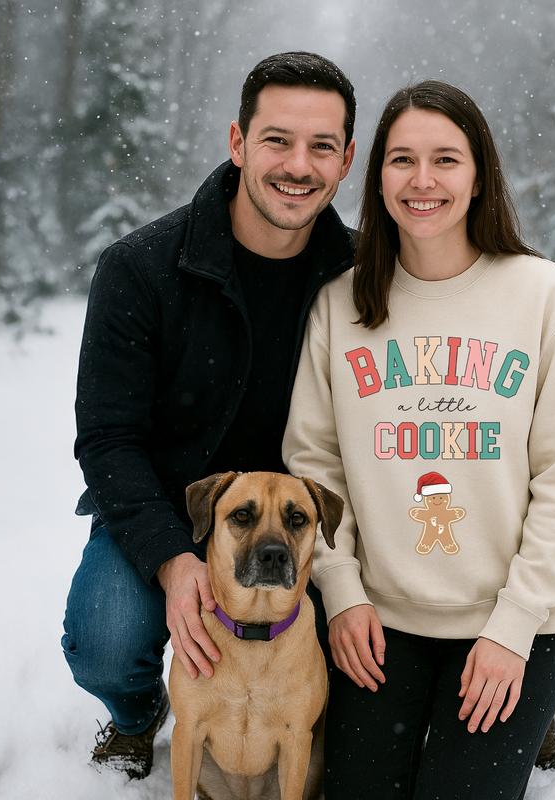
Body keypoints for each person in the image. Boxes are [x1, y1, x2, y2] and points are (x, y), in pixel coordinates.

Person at [283, 80, 555, 799]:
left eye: (445, 160)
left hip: (514, 623)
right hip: (379, 623)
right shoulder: (342, 305)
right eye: (402, 160)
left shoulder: (543, 296)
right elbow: (314, 464)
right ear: (376, 177)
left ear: (479, 174)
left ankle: (537, 714)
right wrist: (340, 591)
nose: (422, 181)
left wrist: (514, 626)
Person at [61, 51, 356, 780]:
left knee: (385, 648)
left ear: (347, 160)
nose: (299, 164)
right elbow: (107, 437)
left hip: (312, 514)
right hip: (170, 508)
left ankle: (495, 705)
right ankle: (139, 715)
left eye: (322, 146)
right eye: (277, 140)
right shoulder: (142, 268)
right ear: (236, 142)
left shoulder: (359, 274)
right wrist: (172, 558)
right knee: (105, 634)